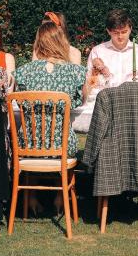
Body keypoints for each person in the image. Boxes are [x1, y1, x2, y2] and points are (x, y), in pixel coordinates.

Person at [14, 22, 88, 158]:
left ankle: (28, 178)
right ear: (61, 42)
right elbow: (82, 101)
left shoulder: (23, 72)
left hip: (29, 145)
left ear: (38, 43)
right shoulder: (75, 72)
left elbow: (20, 104)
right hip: (62, 146)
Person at [85, 9, 138, 93]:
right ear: (108, 31)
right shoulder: (97, 51)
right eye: (116, 32)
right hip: (106, 100)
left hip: (133, 99)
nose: (120, 36)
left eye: (124, 32)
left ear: (130, 29)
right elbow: (90, 82)